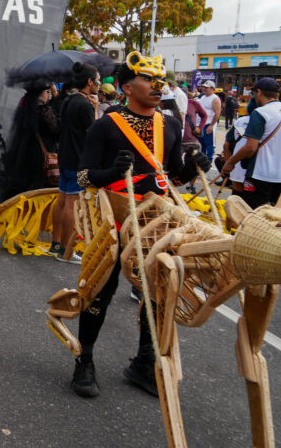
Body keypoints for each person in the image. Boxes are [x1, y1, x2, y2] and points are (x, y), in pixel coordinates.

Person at [68, 52, 209, 398]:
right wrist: (112, 172)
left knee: (159, 290)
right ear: (127, 87)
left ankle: (144, 362)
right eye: (149, 79)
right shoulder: (107, 124)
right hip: (115, 221)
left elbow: (170, 174)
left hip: (156, 221)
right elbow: (84, 175)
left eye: (161, 79)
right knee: (102, 287)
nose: (158, 86)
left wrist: (192, 170)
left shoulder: (171, 124)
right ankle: (84, 360)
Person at [50, 62, 101, 265]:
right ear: (89, 82)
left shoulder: (69, 100)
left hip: (65, 156)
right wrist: (95, 110)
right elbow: (94, 134)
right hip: (78, 159)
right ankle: (66, 250)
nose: (99, 83)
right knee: (72, 204)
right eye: (97, 79)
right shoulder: (85, 105)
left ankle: (55, 244)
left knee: (62, 200)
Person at [221, 77, 281, 208]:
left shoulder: (260, 113)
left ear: (259, 92)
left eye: (254, 93)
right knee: (276, 217)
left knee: (253, 215)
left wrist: (230, 162)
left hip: (261, 174)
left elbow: (250, 147)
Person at [1, 81, 58, 199]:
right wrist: (57, 97)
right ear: (42, 93)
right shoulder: (43, 109)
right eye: (48, 92)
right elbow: (56, 129)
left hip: (24, 153)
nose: (49, 95)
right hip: (39, 156)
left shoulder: (26, 105)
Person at [197, 80, 221, 158]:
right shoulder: (203, 97)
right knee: (202, 143)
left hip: (209, 123)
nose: (204, 89)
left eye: (206, 88)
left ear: (212, 89)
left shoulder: (215, 98)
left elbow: (217, 113)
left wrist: (211, 125)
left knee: (209, 144)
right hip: (201, 123)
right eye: (203, 87)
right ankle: (203, 158)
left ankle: (209, 159)